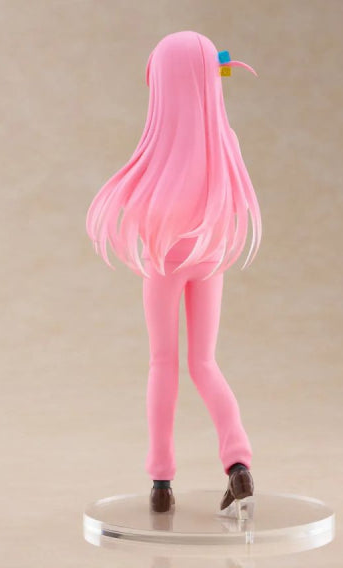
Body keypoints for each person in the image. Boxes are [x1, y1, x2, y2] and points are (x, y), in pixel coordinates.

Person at [86, 31, 262, 513]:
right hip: (209, 257)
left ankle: (161, 480)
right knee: (204, 362)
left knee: (162, 363)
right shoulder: (224, 142)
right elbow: (231, 202)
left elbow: (140, 209)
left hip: (165, 261)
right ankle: (238, 463)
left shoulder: (157, 150)